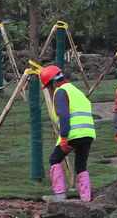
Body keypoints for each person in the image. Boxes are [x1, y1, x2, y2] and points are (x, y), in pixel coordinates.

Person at [40, 65, 95, 203]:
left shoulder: (60, 92)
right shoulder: (76, 91)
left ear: (52, 83)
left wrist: (64, 137)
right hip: (88, 133)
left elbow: (64, 115)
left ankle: (59, 197)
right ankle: (86, 198)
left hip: (73, 133)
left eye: (48, 87)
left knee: (54, 159)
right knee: (81, 164)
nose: (49, 91)